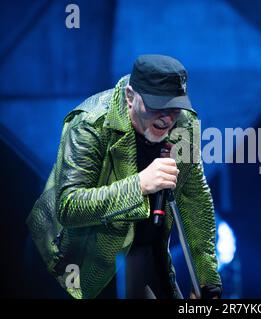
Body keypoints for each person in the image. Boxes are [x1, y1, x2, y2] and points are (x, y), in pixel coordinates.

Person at [26, 54, 222, 299]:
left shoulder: (184, 124)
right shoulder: (90, 123)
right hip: (75, 256)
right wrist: (139, 184)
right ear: (130, 96)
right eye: (155, 106)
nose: (166, 118)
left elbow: (195, 199)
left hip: (143, 250)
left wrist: (206, 279)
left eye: (173, 107)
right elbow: (69, 206)